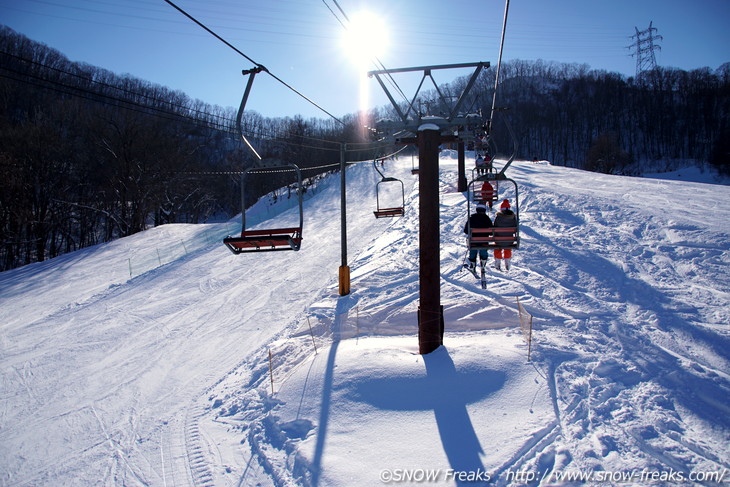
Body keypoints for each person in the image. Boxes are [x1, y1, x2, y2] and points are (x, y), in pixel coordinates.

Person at [463, 203, 493, 269]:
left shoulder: (472, 218)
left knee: (473, 248)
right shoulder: (487, 219)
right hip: (484, 241)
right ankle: (483, 262)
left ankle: (472, 264)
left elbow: (466, 231)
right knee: (483, 249)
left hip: (474, 242)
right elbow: (491, 232)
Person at [493, 199, 517, 270]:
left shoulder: (498, 217)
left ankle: (498, 260)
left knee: (497, 245)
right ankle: (507, 259)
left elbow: (495, 227)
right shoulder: (513, 217)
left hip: (498, 240)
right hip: (509, 240)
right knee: (507, 245)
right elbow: (515, 228)